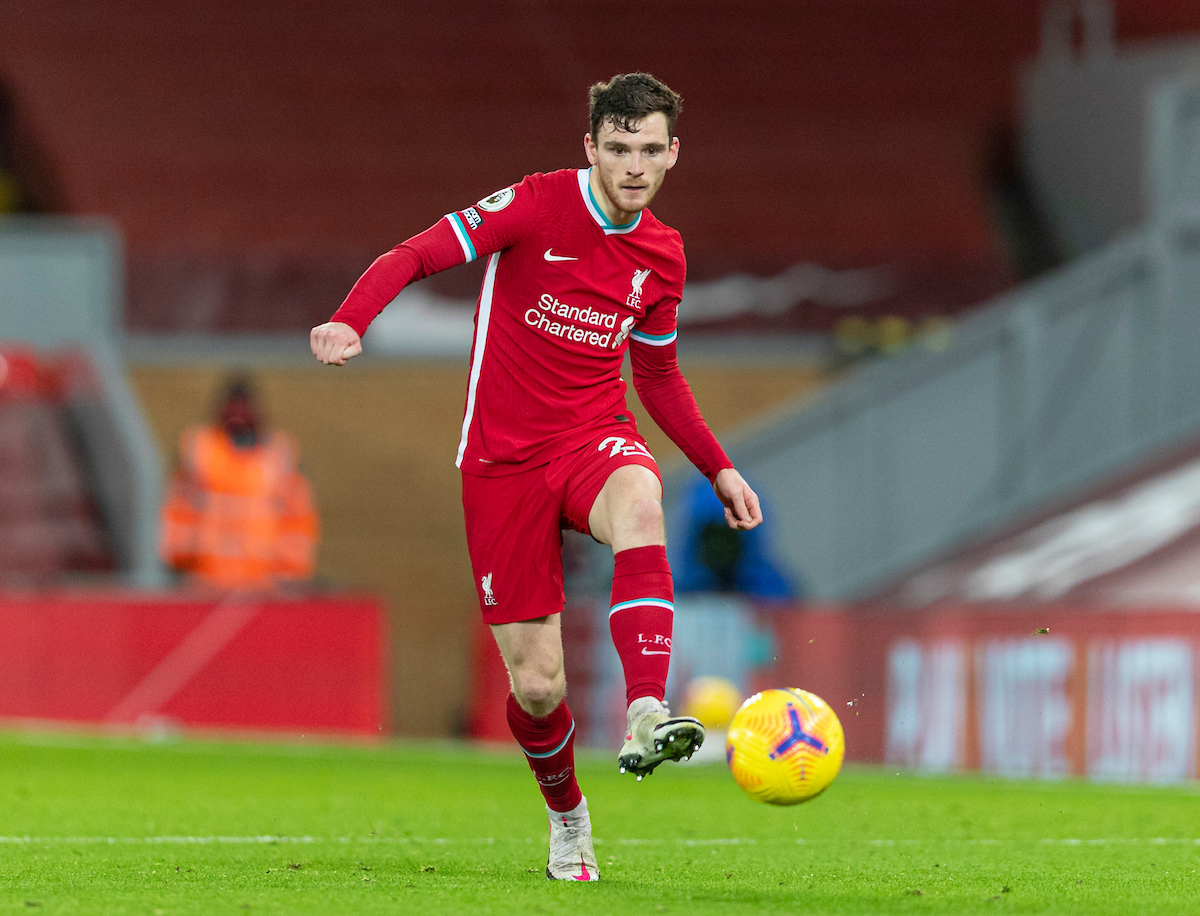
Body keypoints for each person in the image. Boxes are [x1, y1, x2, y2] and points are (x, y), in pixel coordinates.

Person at [310, 73, 762, 881]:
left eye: (649, 150)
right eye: (618, 148)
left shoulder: (663, 254)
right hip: (501, 463)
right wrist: (351, 316)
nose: (633, 165)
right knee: (540, 685)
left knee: (642, 496)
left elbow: (656, 379)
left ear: (673, 154)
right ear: (590, 147)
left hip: (593, 436)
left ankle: (646, 710)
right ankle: (568, 816)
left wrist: (718, 467)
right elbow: (417, 252)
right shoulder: (534, 203)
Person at [160, 375, 319, 590]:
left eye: (243, 408)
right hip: (205, 581)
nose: (238, 415)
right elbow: (179, 510)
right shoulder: (201, 450)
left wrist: (290, 572)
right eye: (232, 408)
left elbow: (297, 518)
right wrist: (178, 561)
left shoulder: (278, 455)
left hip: (263, 585)